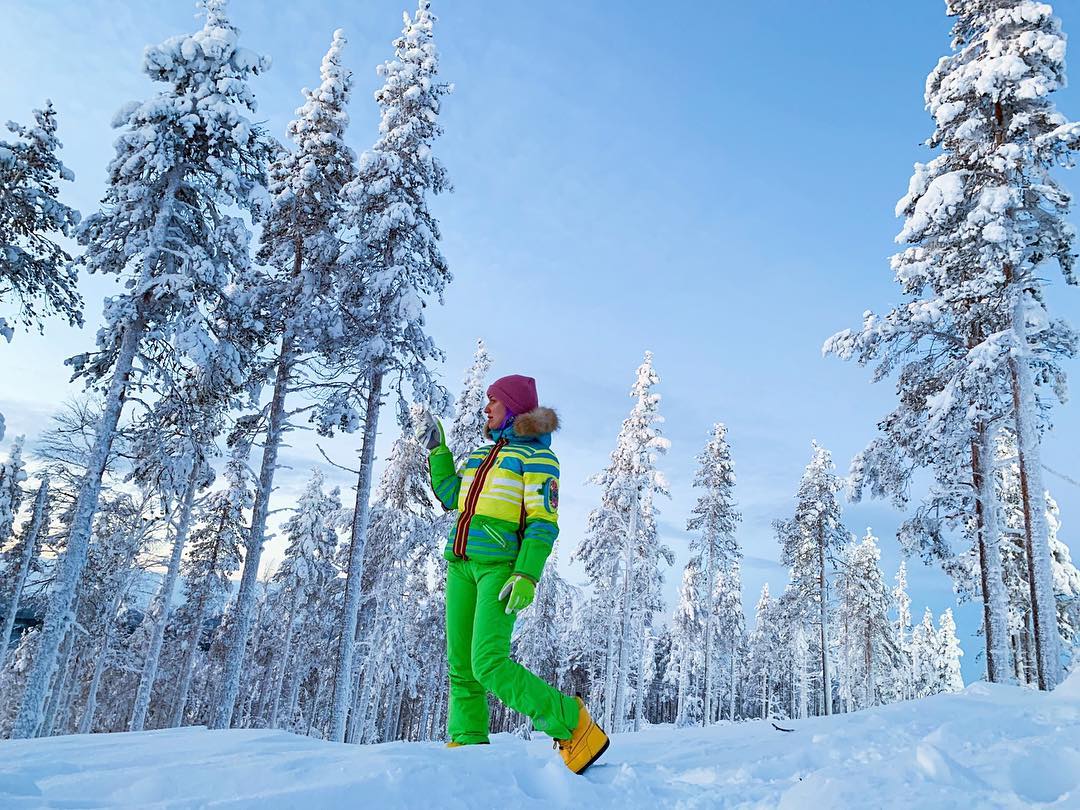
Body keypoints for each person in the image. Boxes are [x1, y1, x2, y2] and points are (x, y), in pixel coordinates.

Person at [422, 373, 609, 775]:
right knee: (461, 665)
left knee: (487, 662)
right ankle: (467, 745)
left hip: (500, 570)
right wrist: (439, 454)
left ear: (514, 408)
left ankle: (572, 723)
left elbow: (543, 522)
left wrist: (526, 574)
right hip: (461, 565)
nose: (485, 408)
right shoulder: (480, 455)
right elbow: (454, 497)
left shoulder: (537, 459)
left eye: (493, 401)